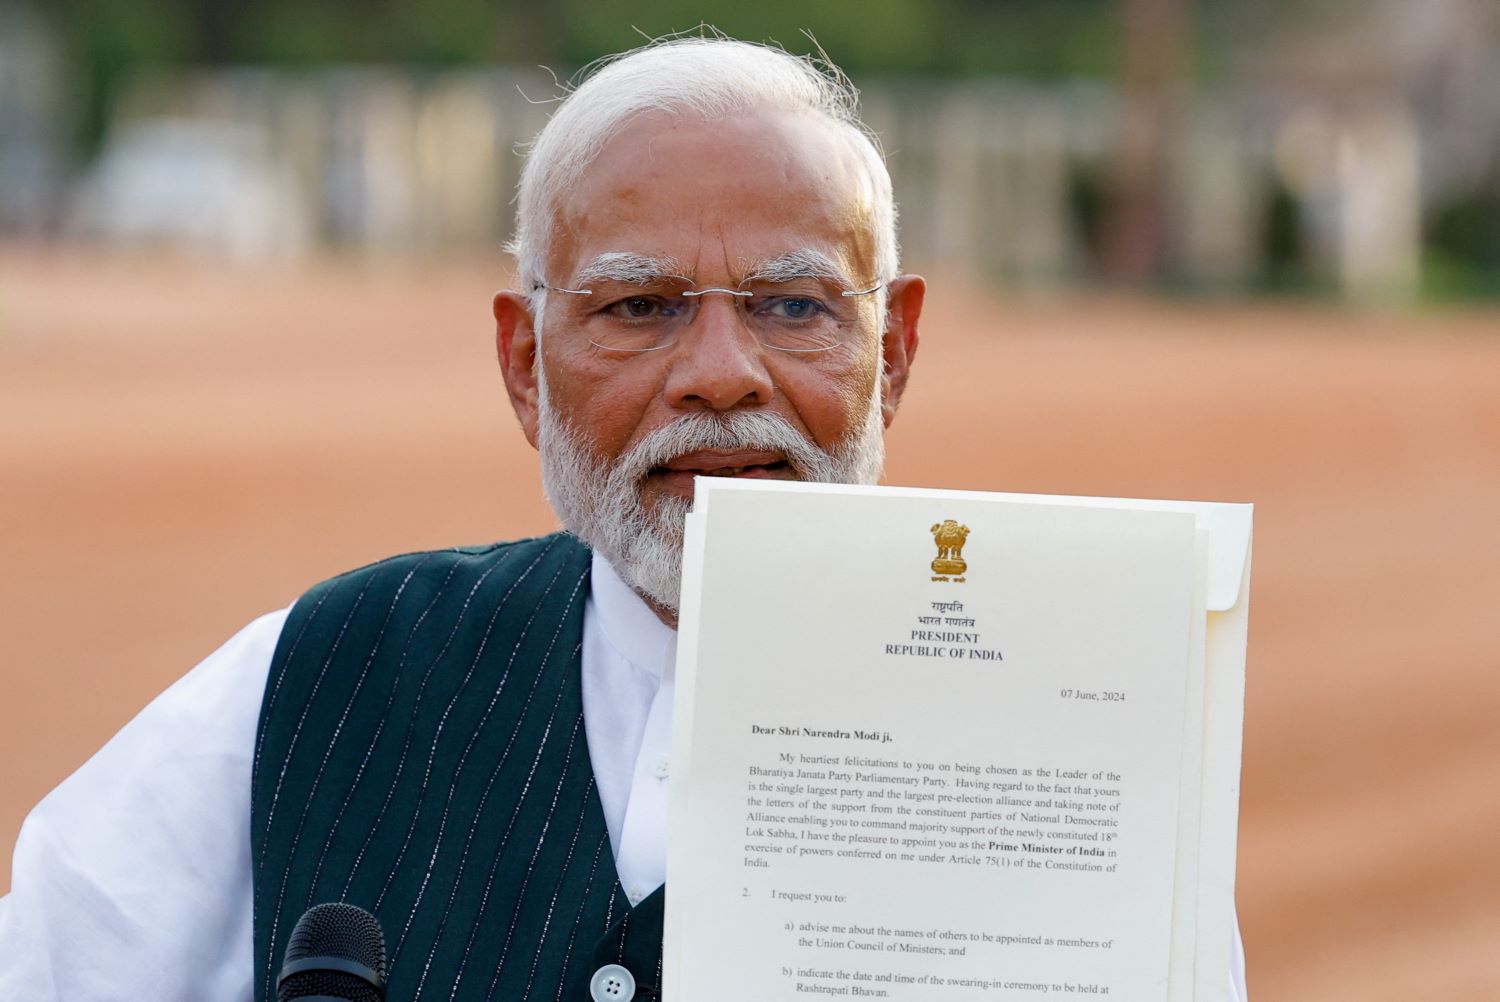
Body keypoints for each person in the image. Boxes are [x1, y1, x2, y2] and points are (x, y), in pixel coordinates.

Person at [0, 36, 1248, 1002]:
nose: (721, 375)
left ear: (897, 354)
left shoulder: (1090, 749)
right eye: (640, 307)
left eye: (794, 306)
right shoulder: (321, 684)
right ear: (524, 366)